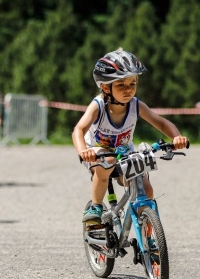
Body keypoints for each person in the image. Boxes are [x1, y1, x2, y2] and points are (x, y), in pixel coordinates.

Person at [72, 48, 188, 225]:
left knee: (146, 190)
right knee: (108, 161)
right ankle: (95, 206)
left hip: (125, 153)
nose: (128, 90)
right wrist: (83, 151)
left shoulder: (136, 105)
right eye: (121, 85)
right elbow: (78, 130)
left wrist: (177, 137)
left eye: (132, 84)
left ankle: (148, 235)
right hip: (97, 152)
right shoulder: (98, 106)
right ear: (105, 87)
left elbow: (162, 123)